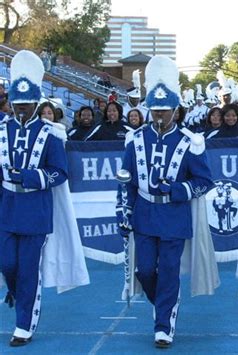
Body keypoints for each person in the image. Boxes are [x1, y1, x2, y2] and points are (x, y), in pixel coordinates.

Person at [117, 55, 218, 348]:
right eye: (155, 109)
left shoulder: (191, 141)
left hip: (174, 215)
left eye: (165, 110)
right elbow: (126, 179)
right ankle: (164, 303)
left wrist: (177, 190)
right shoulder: (134, 139)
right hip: (145, 213)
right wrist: (123, 210)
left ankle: (164, 324)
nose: (159, 115)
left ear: (176, 110)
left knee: (170, 270)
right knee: (145, 270)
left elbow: (205, 181)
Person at [0, 50, 89, 347]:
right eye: (17, 102)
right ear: (11, 102)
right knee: (7, 264)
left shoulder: (51, 133)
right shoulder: (1, 130)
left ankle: (24, 324)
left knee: (27, 269)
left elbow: (59, 173)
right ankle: (16, 293)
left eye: (27, 103)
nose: (21, 107)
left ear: (37, 102)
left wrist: (30, 176)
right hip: (6, 207)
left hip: (36, 209)